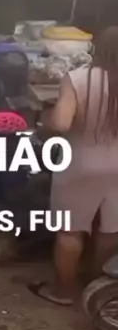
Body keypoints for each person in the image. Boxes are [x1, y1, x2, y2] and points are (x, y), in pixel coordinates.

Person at [29, 27, 118, 305]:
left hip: (80, 163)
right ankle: (96, 289)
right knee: (110, 229)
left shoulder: (78, 78)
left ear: (96, 49)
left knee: (70, 230)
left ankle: (64, 291)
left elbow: (61, 123)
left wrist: (46, 119)